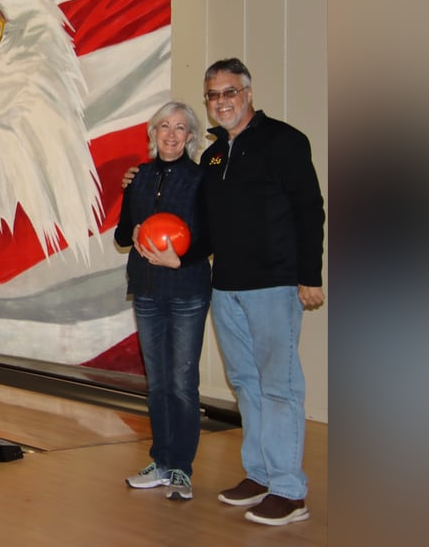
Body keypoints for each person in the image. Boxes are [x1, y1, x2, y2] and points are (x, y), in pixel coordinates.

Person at [122, 58, 324, 525]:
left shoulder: (285, 142)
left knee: (280, 387)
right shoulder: (214, 156)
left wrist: (309, 276)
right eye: (213, 95)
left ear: (248, 93)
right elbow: (205, 230)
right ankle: (259, 475)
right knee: (247, 385)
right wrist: (139, 181)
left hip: (273, 284)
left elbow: (310, 209)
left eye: (229, 92)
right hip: (226, 286)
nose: (221, 102)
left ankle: (290, 490)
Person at [117, 102, 212, 501]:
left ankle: (181, 469)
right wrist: (135, 228)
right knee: (157, 384)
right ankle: (161, 460)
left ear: (191, 137)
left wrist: (182, 258)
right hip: (148, 289)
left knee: (182, 382)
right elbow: (123, 236)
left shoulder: (202, 180)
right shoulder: (137, 178)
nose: (171, 134)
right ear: (153, 134)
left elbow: (212, 236)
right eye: (164, 127)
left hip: (187, 289)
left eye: (180, 128)